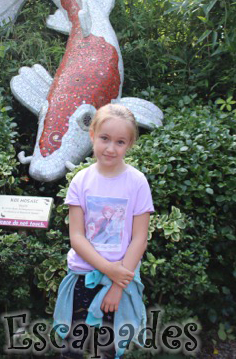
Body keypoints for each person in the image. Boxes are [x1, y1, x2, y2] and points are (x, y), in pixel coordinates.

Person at [53, 104, 154, 359]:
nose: (111, 148)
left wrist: (118, 285)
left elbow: (139, 238)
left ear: (129, 144)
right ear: (92, 135)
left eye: (120, 142)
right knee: (72, 349)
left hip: (120, 281)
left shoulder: (137, 182)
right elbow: (77, 236)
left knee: (107, 350)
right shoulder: (81, 180)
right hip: (83, 278)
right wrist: (109, 269)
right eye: (105, 138)